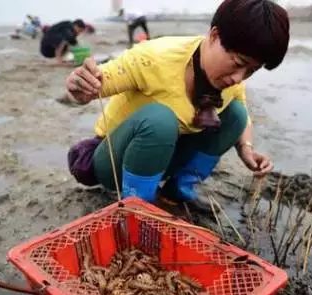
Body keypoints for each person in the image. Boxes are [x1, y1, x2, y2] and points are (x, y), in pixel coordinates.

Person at [65, 0, 290, 205]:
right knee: (160, 119)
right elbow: (96, 82)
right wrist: (80, 86)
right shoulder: (153, 59)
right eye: (238, 63)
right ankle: (138, 204)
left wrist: (245, 149)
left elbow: (242, 115)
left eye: (251, 70)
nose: (239, 77)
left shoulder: (231, 79)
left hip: (164, 157)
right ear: (214, 36)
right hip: (116, 162)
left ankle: (178, 189)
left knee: (236, 114)